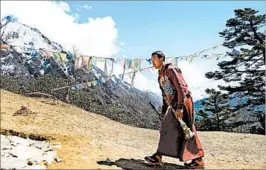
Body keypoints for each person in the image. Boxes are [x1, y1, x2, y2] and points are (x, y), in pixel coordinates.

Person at [144, 51, 205, 169]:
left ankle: (198, 160)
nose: (152, 62)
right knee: (167, 128)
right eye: (151, 60)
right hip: (174, 105)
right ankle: (158, 156)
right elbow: (166, 96)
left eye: (154, 59)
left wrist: (180, 107)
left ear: (162, 59)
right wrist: (163, 111)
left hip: (183, 103)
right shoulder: (160, 76)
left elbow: (181, 88)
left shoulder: (171, 70)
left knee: (188, 128)